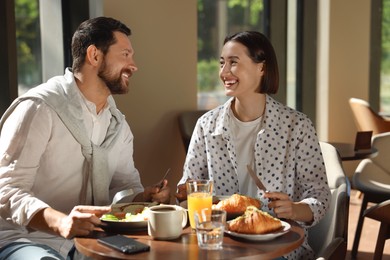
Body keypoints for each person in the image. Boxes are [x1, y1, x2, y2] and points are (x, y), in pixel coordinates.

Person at [0, 16, 170, 259]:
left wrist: (143, 197)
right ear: (94, 55)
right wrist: (61, 223)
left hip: (93, 241)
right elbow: (7, 191)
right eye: (125, 55)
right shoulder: (39, 108)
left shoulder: (117, 124)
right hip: (26, 240)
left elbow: (123, 185)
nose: (134, 65)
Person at [176, 31, 331, 260]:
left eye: (234, 63)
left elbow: (320, 196)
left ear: (261, 68)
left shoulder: (296, 126)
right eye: (222, 63)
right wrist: (181, 193)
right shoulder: (206, 126)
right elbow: (189, 186)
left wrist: (294, 209)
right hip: (219, 245)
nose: (224, 72)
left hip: (278, 249)